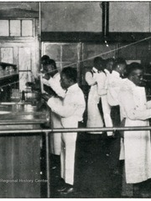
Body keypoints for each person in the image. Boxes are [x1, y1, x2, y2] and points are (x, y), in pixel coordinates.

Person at [118, 62, 151, 196]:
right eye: (139, 76)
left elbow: (141, 106)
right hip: (132, 127)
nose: (141, 79)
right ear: (131, 75)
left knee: (139, 159)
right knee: (131, 159)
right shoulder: (125, 89)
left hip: (140, 127)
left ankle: (136, 189)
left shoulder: (135, 87)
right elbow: (132, 113)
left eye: (142, 76)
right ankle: (128, 192)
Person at [42, 67, 86, 195]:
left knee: (69, 154)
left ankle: (69, 183)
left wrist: (49, 101)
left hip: (71, 125)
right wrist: (50, 82)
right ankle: (64, 179)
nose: (61, 81)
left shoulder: (76, 93)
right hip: (65, 125)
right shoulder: (71, 90)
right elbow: (62, 93)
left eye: (63, 79)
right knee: (64, 153)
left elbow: (65, 112)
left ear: (70, 80)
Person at [106, 58, 127, 174]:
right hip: (117, 110)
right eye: (124, 68)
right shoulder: (115, 79)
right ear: (119, 67)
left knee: (118, 138)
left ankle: (116, 165)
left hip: (115, 110)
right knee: (118, 138)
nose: (124, 70)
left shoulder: (112, 77)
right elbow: (127, 83)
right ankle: (115, 166)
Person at [85, 57, 106, 134]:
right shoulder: (89, 73)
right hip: (93, 96)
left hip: (102, 95)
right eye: (99, 63)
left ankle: (100, 131)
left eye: (102, 64)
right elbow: (90, 82)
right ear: (95, 64)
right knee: (93, 113)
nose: (101, 65)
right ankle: (92, 132)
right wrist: (98, 78)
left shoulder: (103, 73)